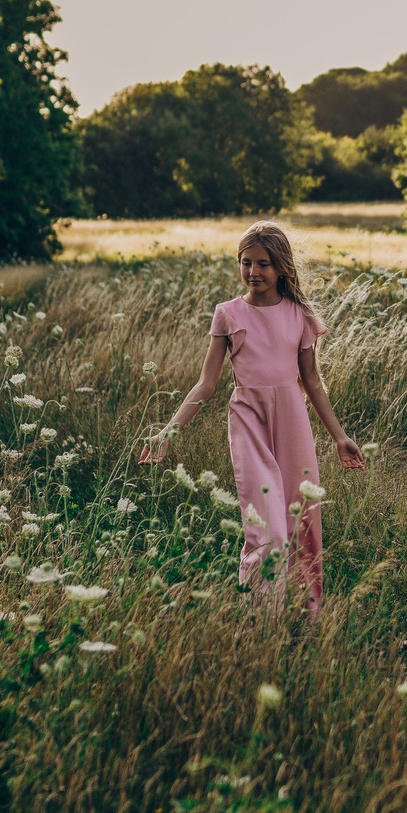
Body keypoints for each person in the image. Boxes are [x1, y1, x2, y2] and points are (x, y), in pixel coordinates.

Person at [139, 222, 364, 615]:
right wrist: (166, 432)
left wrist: (339, 437)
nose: (253, 272)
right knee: (268, 529)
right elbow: (206, 384)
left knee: (303, 525)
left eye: (263, 263)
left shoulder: (300, 316)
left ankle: (305, 616)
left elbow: (311, 381)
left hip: (293, 424)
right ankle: (262, 620)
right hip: (249, 423)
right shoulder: (227, 314)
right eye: (246, 263)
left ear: (282, 267)